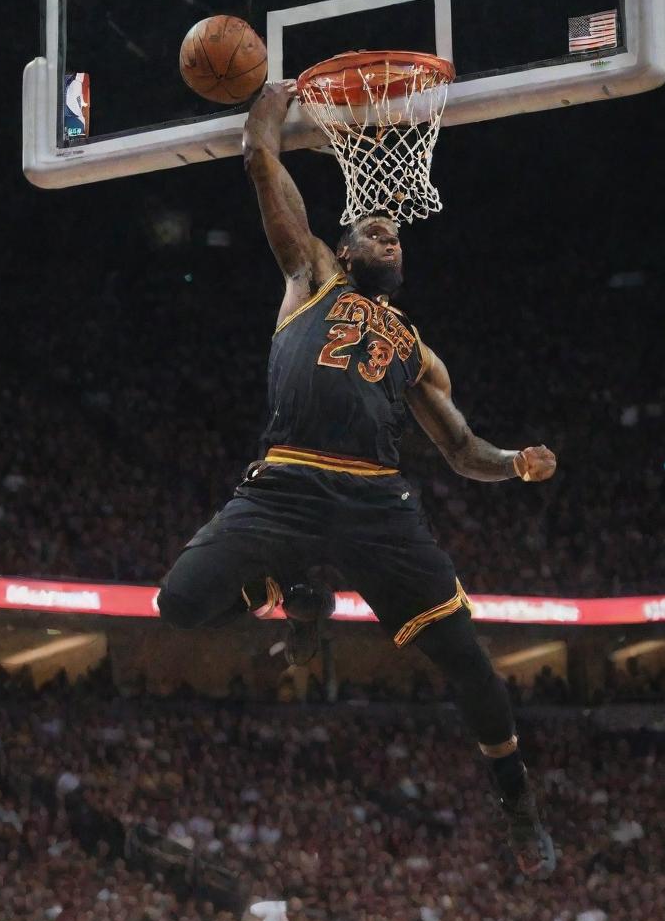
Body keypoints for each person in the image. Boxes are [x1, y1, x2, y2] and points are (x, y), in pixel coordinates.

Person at [156, 82, 558, 877]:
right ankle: (291, 587)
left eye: (397, 235)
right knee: (179, 605)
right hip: (289, 482)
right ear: (344, 249)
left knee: (466, 659)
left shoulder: (415, 349)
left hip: (378, 501)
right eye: (374, 229)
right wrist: (268, 101)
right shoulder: (311, 277)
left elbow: (460, 448)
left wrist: (512, 464)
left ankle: (517, 803)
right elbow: (262, 163)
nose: (390, 235)